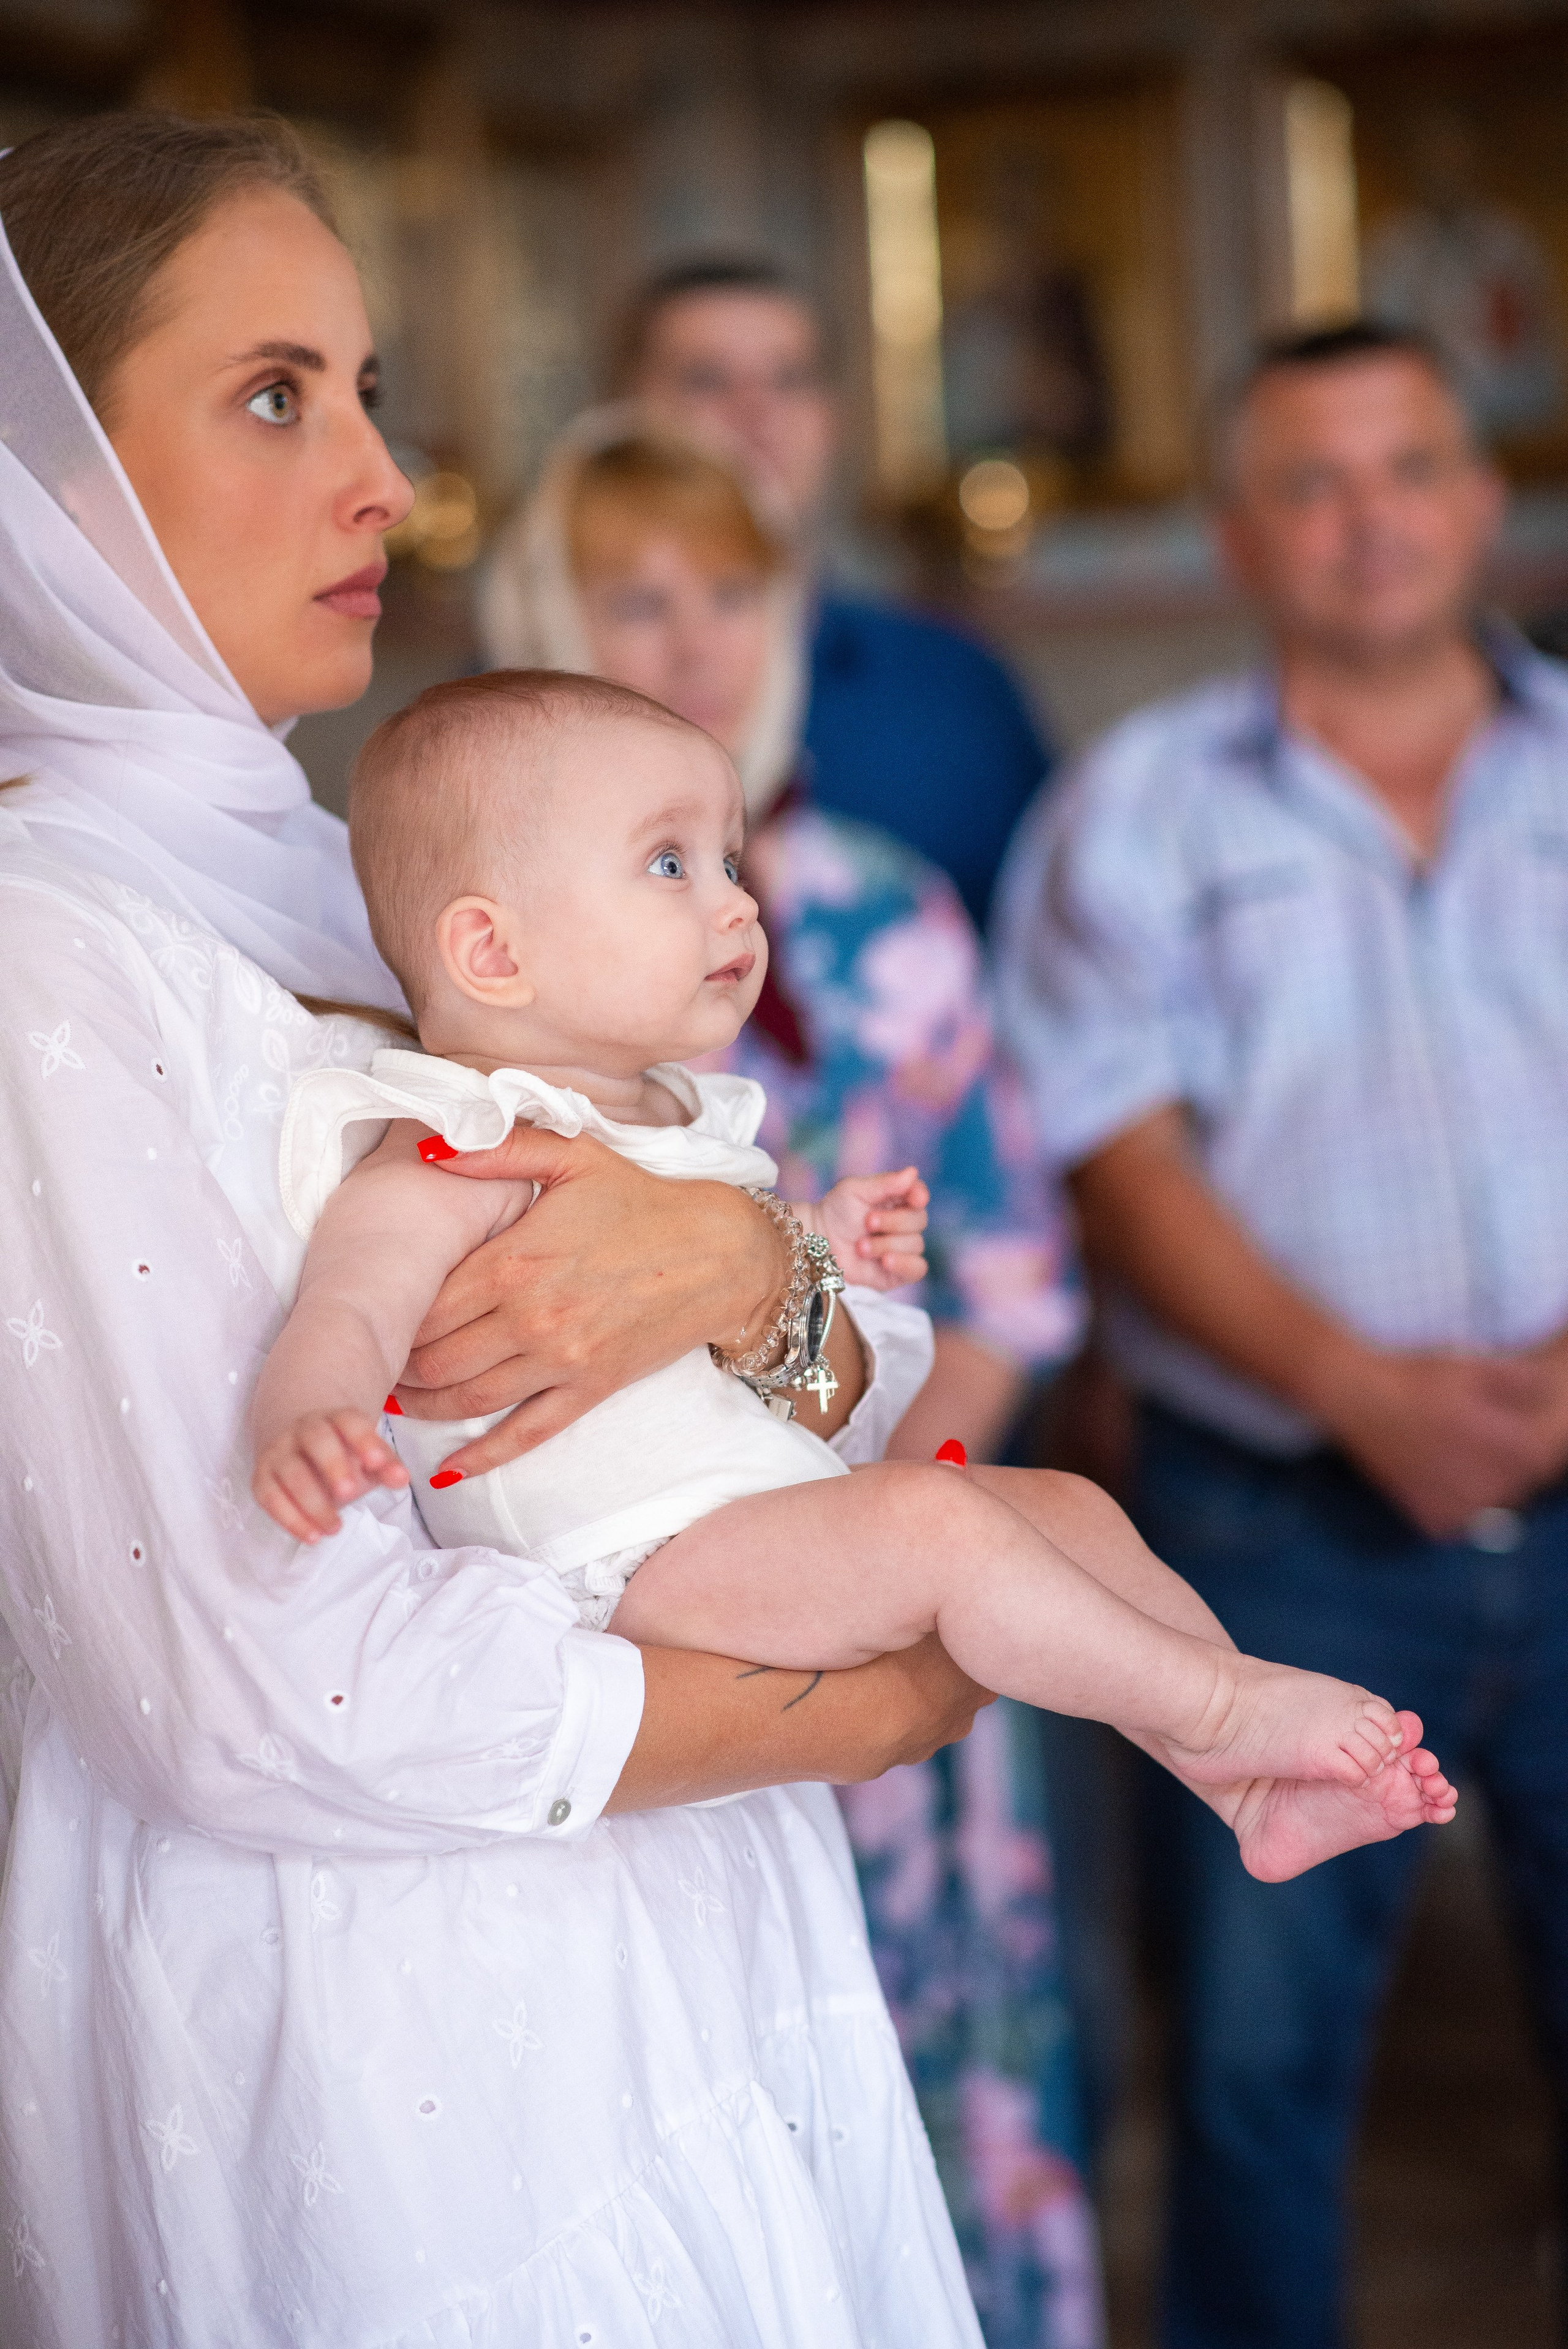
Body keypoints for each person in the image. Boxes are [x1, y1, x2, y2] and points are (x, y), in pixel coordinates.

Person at [0, 109, 1006, 2348]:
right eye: (278, 395)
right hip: (392, 2024)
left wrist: (748, 1270)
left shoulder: (338, 857)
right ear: (44, 474)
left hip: (654, 1916)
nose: (379, 473)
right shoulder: (48, 943)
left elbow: (809, 1382)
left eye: (367, 389)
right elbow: (246, 1678)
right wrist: (845, 1702)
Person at [246, 662, 1453, 1887]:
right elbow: (353, 1297)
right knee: (937, 1521)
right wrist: (311, 1414)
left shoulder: (674, 1117)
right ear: (491, 950)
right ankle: (1222, 1713)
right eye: (669, 865)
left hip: (728, 1522)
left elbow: (717, 1325)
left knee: (1065, 1511)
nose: (734, 905)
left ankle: (1233, 1779)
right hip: (614, 1562)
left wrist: (813, 1238)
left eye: (727, 860)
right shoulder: (454, 1137)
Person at [478, 412, 1093, 2341]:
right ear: (538, 614)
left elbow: (1006, 1268)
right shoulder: (454, 936)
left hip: (896, 1552)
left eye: (728, 591)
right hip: (649, 1628)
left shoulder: (881, 913)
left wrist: (899, 1526)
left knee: (929, 2065)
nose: (688, 637)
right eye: (630, 594)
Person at [997, 318, 1568, 2349]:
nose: (1367, 521)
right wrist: (1366, 1395)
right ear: (1238, 534)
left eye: (1406, 466)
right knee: (1253, 2079)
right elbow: (1117, 1161)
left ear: (1482, 494)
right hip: (1272, 1527)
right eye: (1309, 484)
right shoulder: (1133, 814)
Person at [613, 255, 1052, 929]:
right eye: (707, 380)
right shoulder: (515, 695)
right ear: (621, 414)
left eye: (790, 380)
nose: (754, 413)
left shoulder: (958, 687)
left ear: (836, 418)